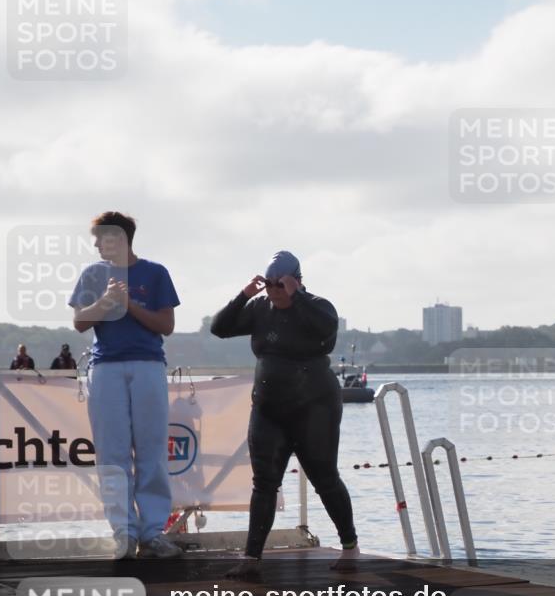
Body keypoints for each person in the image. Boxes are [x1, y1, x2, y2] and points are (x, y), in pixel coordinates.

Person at [211, 250, 358, 574]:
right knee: (264, 482)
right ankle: (251, 558)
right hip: (269, 408)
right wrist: (245, 294)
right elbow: (220, 328)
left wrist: (298, 297)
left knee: (325, 479)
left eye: (280, 285)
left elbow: (325, 331)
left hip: (314, 408)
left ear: (296, 281)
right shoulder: (261, 307)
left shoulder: (318, 306)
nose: (274, 291)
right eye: (269, 285)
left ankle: (350, 548)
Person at [68, 211, 182, 559]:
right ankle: (123, 533)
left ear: (120, 238)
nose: (97, 244)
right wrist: (105, 302)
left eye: (102, 238)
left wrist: (128, 304)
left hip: (148, 365)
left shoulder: (155, 272)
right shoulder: (92, 274)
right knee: (112, 454)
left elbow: (166, 325)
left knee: (151, 451)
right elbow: (79, 323)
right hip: (106, 368)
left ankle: (152, 533)